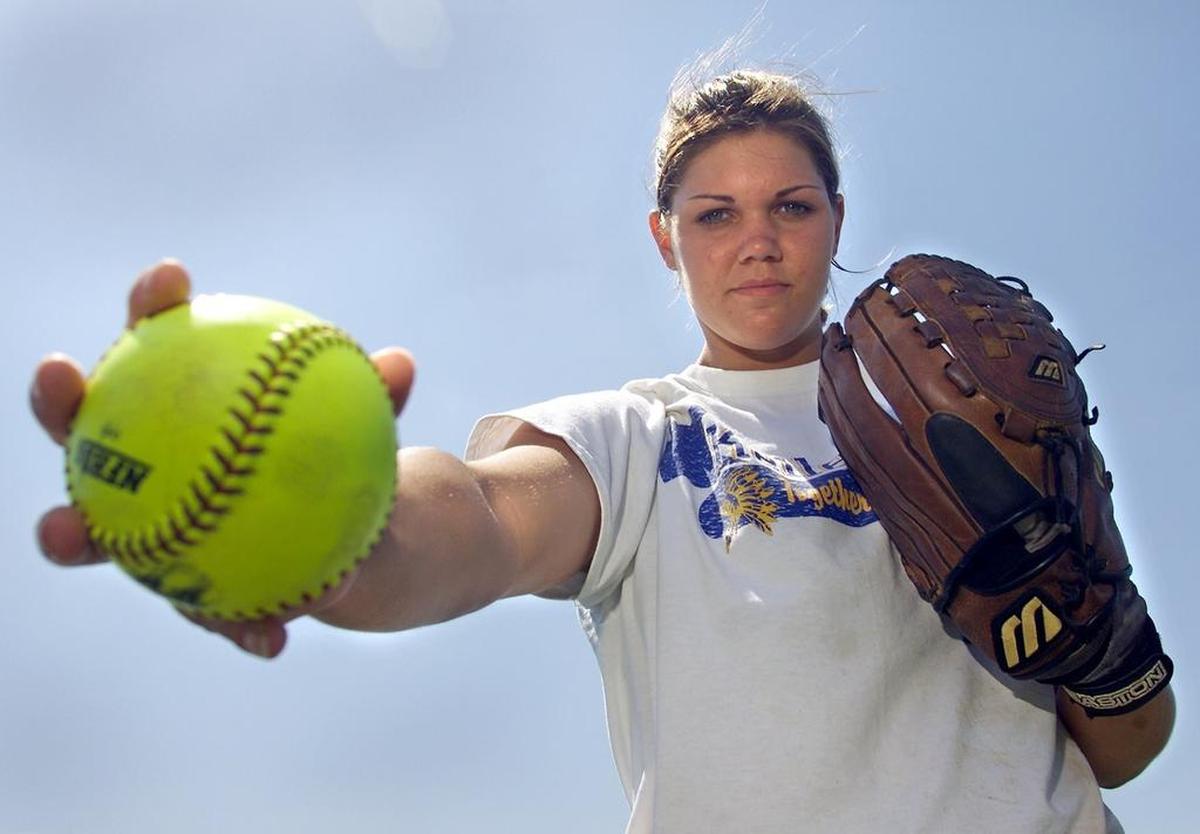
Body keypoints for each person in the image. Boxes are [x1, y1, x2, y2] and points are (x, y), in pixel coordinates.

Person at [31, 68, 1173, 833]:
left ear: (836, 214)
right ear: (664, 240)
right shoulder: (638, 436)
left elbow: (1123, 747)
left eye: (793, 205)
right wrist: (338, 529)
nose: (758, 243)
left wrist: (1098, 629)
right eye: (714, 215)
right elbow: (478, 516)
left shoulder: (972, 418)